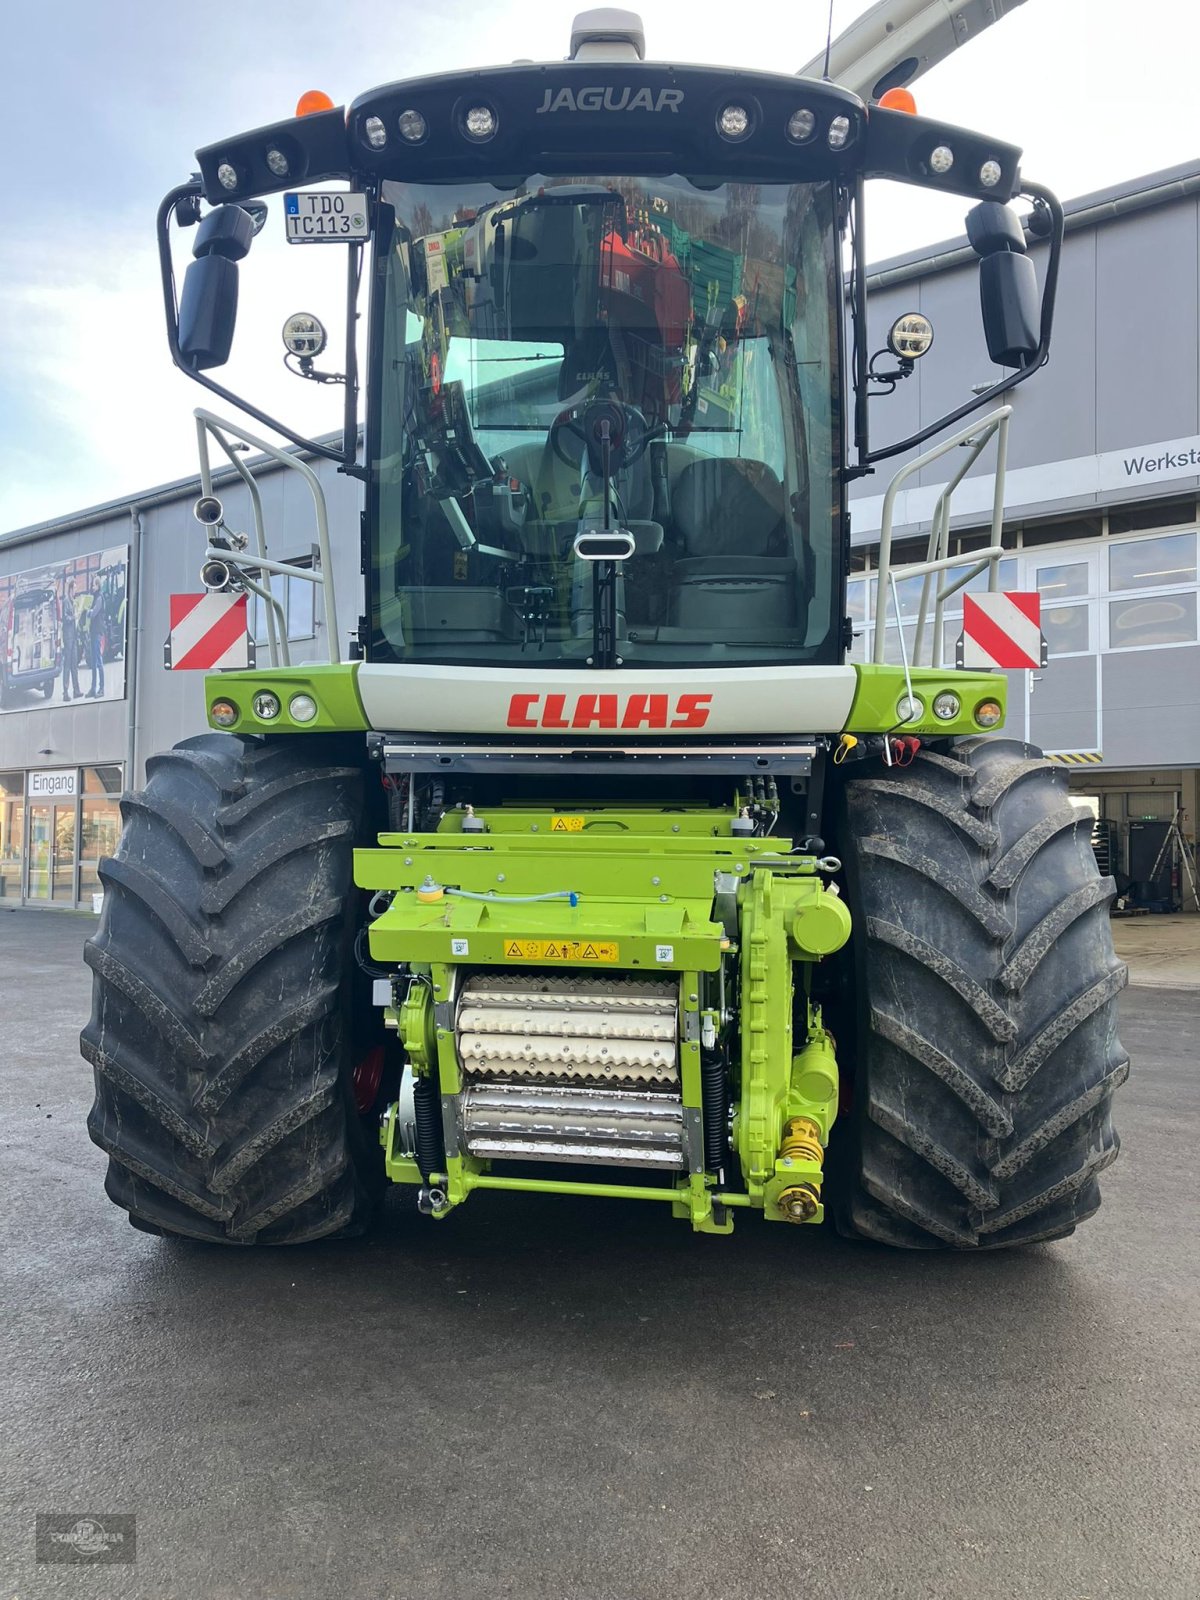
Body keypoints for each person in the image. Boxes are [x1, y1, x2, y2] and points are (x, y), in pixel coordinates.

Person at [60, 577, 82, 701]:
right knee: (67, 664)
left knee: (74, 664)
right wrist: (74, 616)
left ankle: (76, 690)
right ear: (71, 589)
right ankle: (65, 693)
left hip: (73, 636)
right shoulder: (66, 601)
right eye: (75, 588)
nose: (76, 590)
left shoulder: (72, 601)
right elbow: (65, 618)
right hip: (68, 637)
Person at [85, 578, 105, 699]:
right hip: (92, 632)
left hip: (97, 632)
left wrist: (87, 611)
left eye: (93, 585)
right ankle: (93, 689)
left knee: (98, 661)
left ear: (98, 586)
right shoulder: (94, 597)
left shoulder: (99, 598)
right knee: (93, 661)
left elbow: (93, 613)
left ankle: (101, 688)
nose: (92, 587)